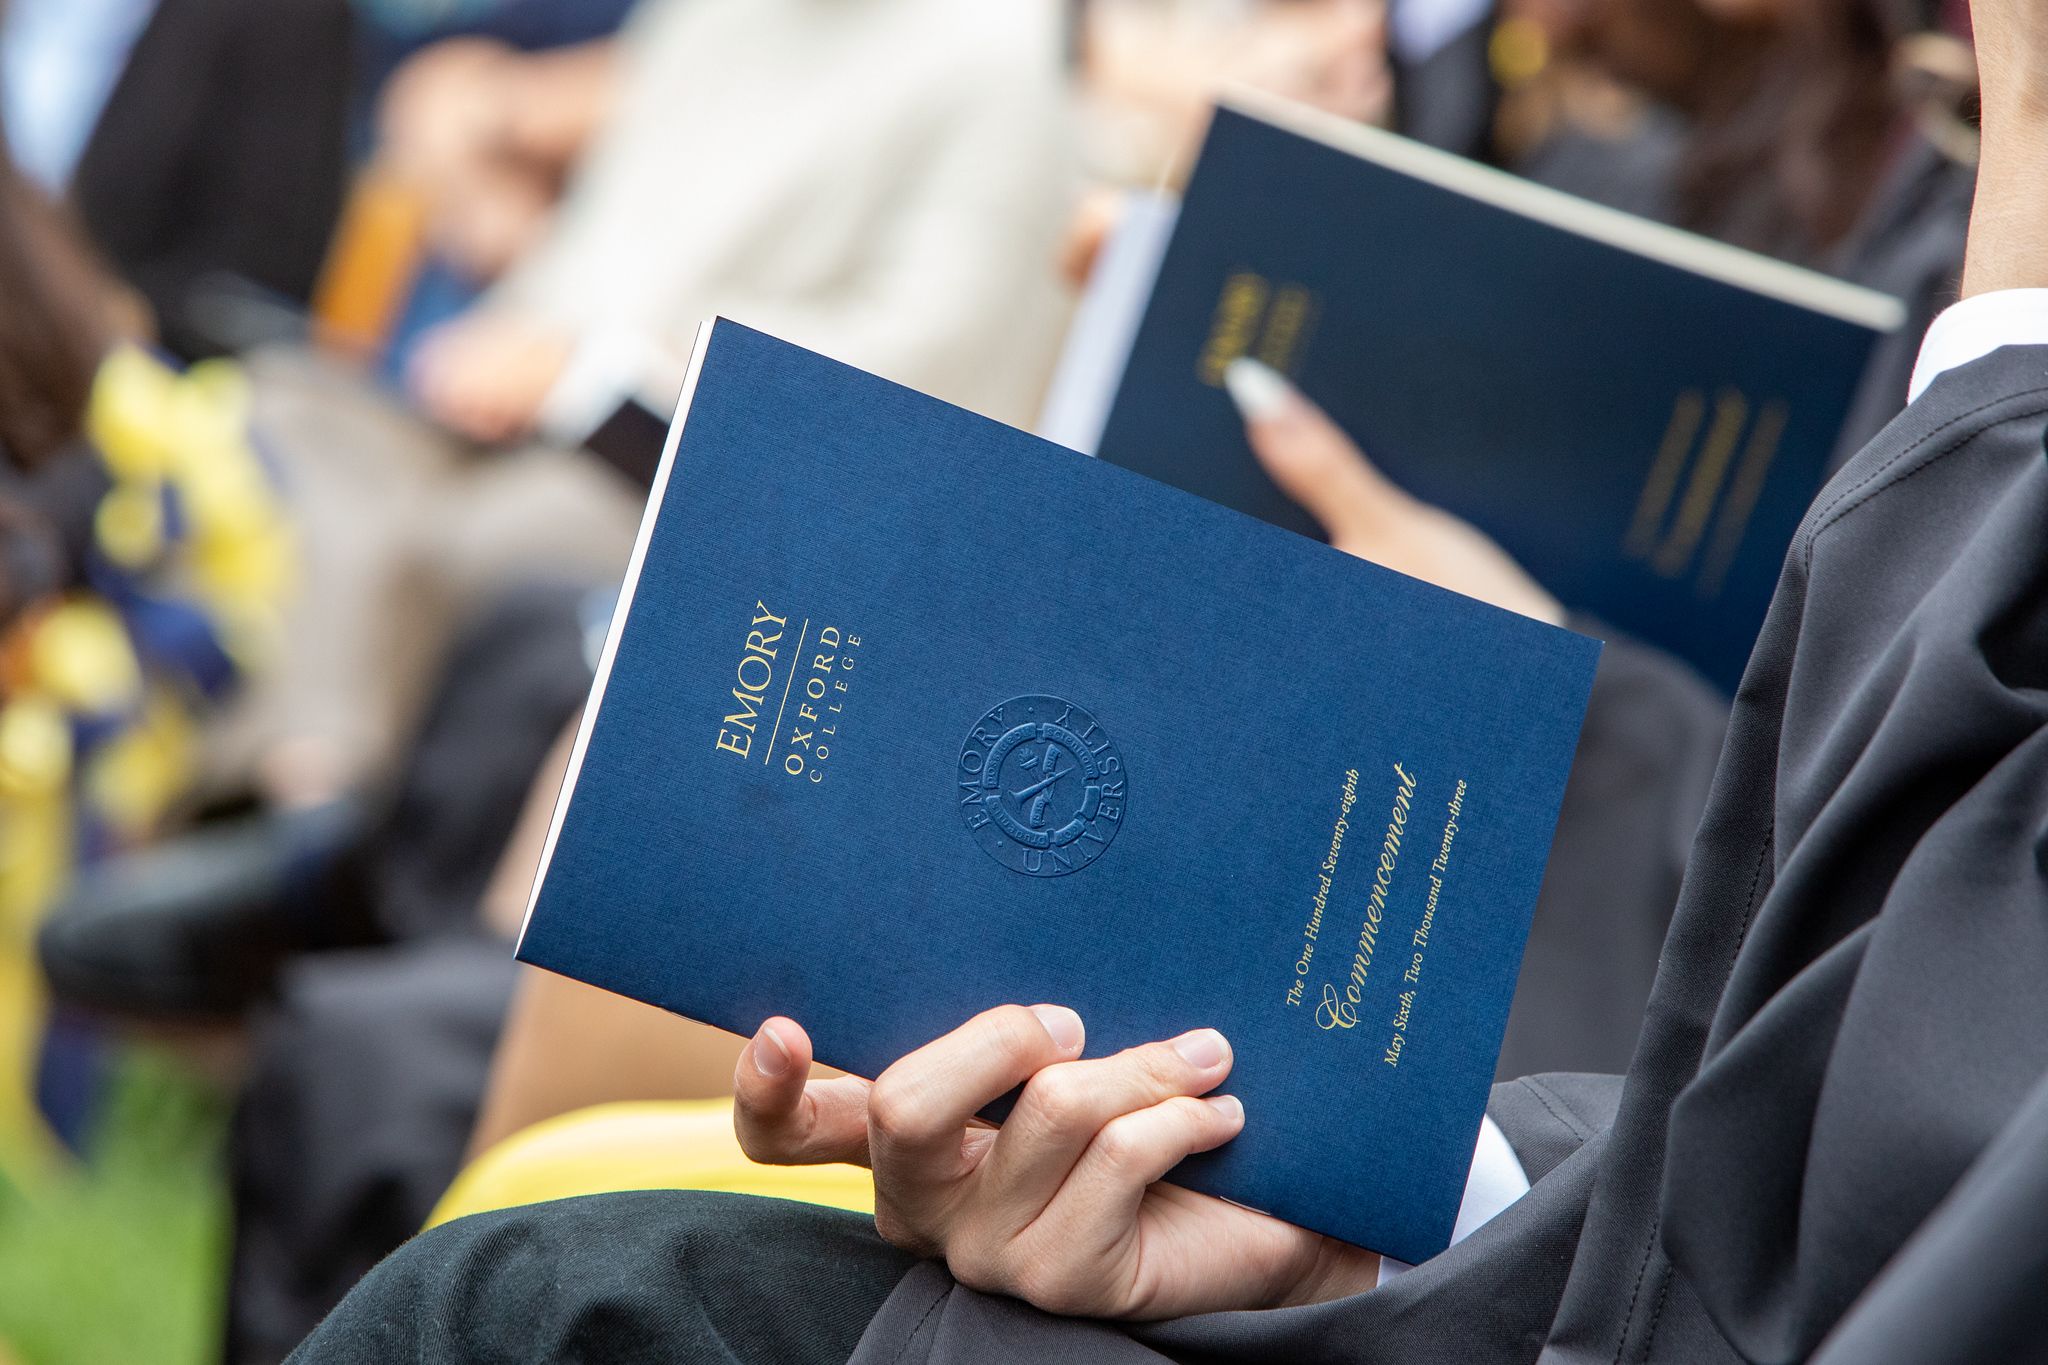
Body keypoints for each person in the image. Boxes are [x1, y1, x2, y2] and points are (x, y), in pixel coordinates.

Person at [287, 1, 2048, 1359]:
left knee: (543, 1280)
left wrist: (1560, 693)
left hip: (1582, 976)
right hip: (1571, 1145)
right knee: (503, 1134)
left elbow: (1905, 1115)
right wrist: (1400, 1214)